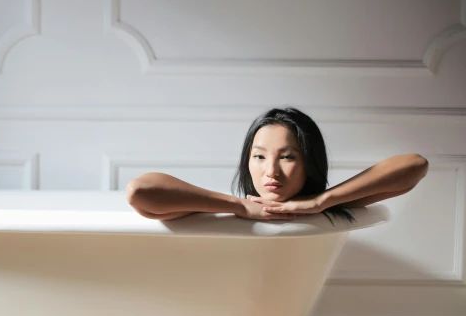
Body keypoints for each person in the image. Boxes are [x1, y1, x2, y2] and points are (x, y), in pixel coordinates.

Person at [125, 107, 429, 224]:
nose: (271, 171)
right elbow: (140, 191)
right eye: (259, 157)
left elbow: (414, 166)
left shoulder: (324, 207)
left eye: (287, 157)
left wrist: (320, 201)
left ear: (309, 162)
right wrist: (238, 206)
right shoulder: (220, 208)